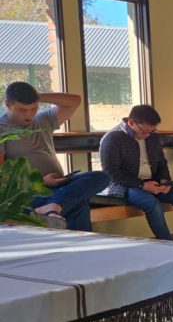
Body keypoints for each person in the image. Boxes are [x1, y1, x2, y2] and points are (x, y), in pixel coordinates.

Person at [0, 82, 109, 231]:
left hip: (59, 185)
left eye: (33, 108)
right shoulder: (2, 130)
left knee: (101, 177)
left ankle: (53, 207)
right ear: (8, 104)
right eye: (23, 110)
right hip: (29, 191)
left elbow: (74, 101)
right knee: (78, 205)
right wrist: (40, 181)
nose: (29, 114)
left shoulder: (42, 120)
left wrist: (37, 96)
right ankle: (55, 210)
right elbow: (3, 178)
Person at [99, 105, 173, 240]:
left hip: (152, 182)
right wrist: (142, 185)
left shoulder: (152, 136)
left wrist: (165, 181)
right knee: (152, 204)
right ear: (131, 123)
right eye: (144, 131)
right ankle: (167, 242)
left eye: (152, 131)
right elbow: (110, 173)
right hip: (125, 185)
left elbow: (161, 162)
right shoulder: (112, 138)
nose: (148, 135)